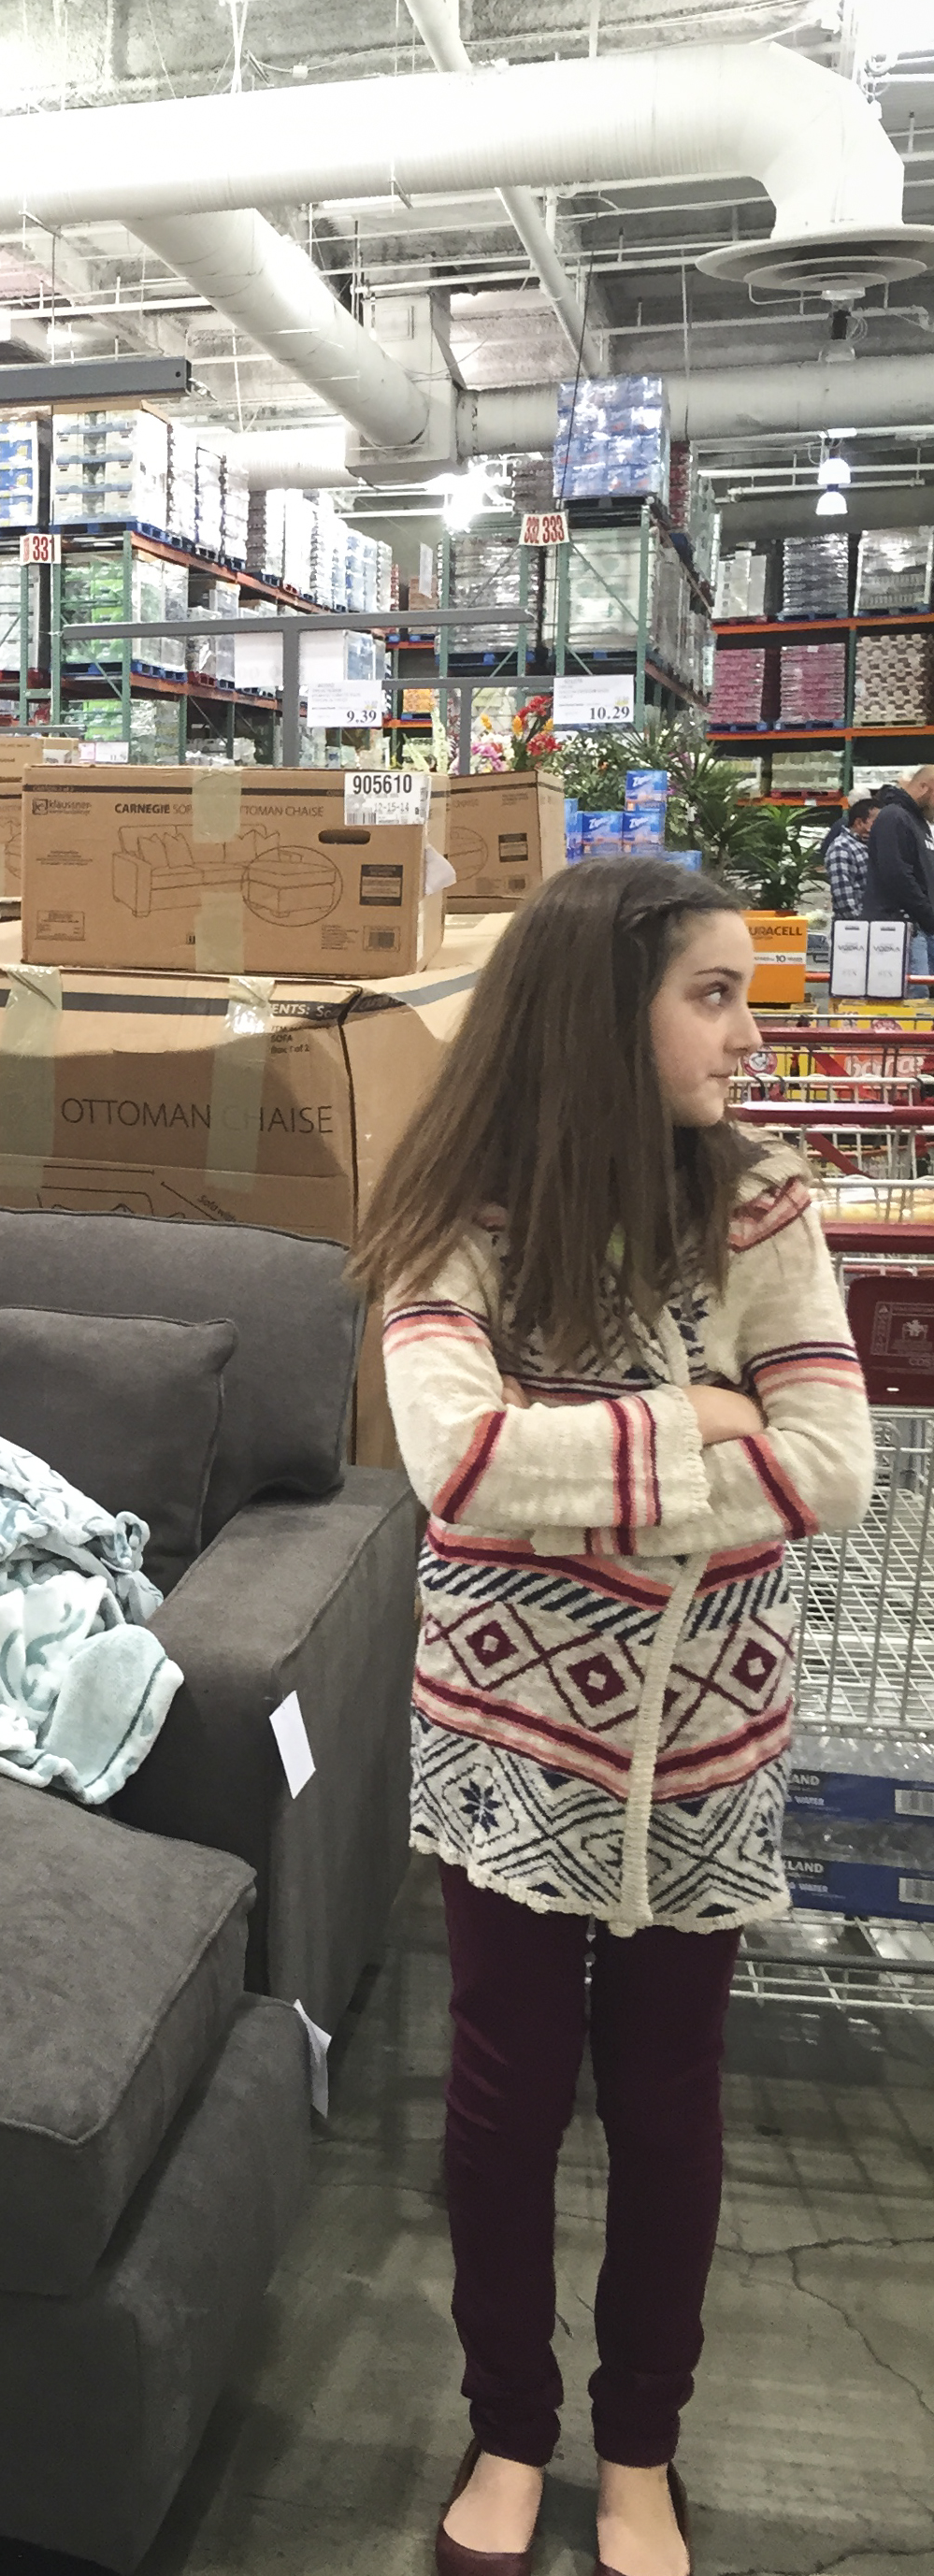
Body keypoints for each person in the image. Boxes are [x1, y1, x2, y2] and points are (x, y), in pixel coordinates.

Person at [350, 860, 871, 2576]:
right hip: (504, 1742)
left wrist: (580, 1460)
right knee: (500, 2101)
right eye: (712, 995)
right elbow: (457, 1462)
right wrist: (700, 1420)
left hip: (706, 1744)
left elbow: (834, 1468)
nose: (749, 1034)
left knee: (667, 2103)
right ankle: (508, 2428)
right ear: (598, 1013)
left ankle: (640, 2445)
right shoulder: (455, 1214)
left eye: (745, 996)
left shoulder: (762, 1204)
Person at [863, 767, 934, 972]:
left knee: (922, 988)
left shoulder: (918, 824)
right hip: (898, 927)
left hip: (918, 927)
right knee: (914, 989)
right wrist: (927, 914)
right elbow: (897, 875)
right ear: (924, 787)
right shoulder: (894, 817)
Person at [820, 795, 874, 921]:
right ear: (859, 822)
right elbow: (844, 899)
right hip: (855, 927)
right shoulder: (842, 848)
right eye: (876, 822)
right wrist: (860, 924)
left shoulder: (866, 845)